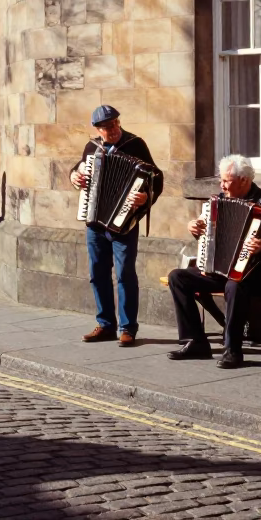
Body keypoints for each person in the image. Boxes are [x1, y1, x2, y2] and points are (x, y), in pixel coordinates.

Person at [166, 154, 261, 369]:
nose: (222, 185)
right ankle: (195, 341)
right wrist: (195, 227)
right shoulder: (218, 202)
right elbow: (210, 236)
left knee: (234, 285)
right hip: (222, 273)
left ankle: (232, 350)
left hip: (260, 276)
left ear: (244, 180)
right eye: (221, 180)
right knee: (178, 278)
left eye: (226, 181)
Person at [69, 105, 162, 347]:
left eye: (116, 124)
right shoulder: (92, 147)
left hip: (124, 224)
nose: (113, 129)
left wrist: (145, 197)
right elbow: (77, 169)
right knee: (97, 274)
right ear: (97, 129)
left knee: (124, 275)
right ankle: (105, 325)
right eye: (107, 127)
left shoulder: (136, 145)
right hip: (95, 223)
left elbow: (157, 178)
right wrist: (74, 177)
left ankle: (128, 328)